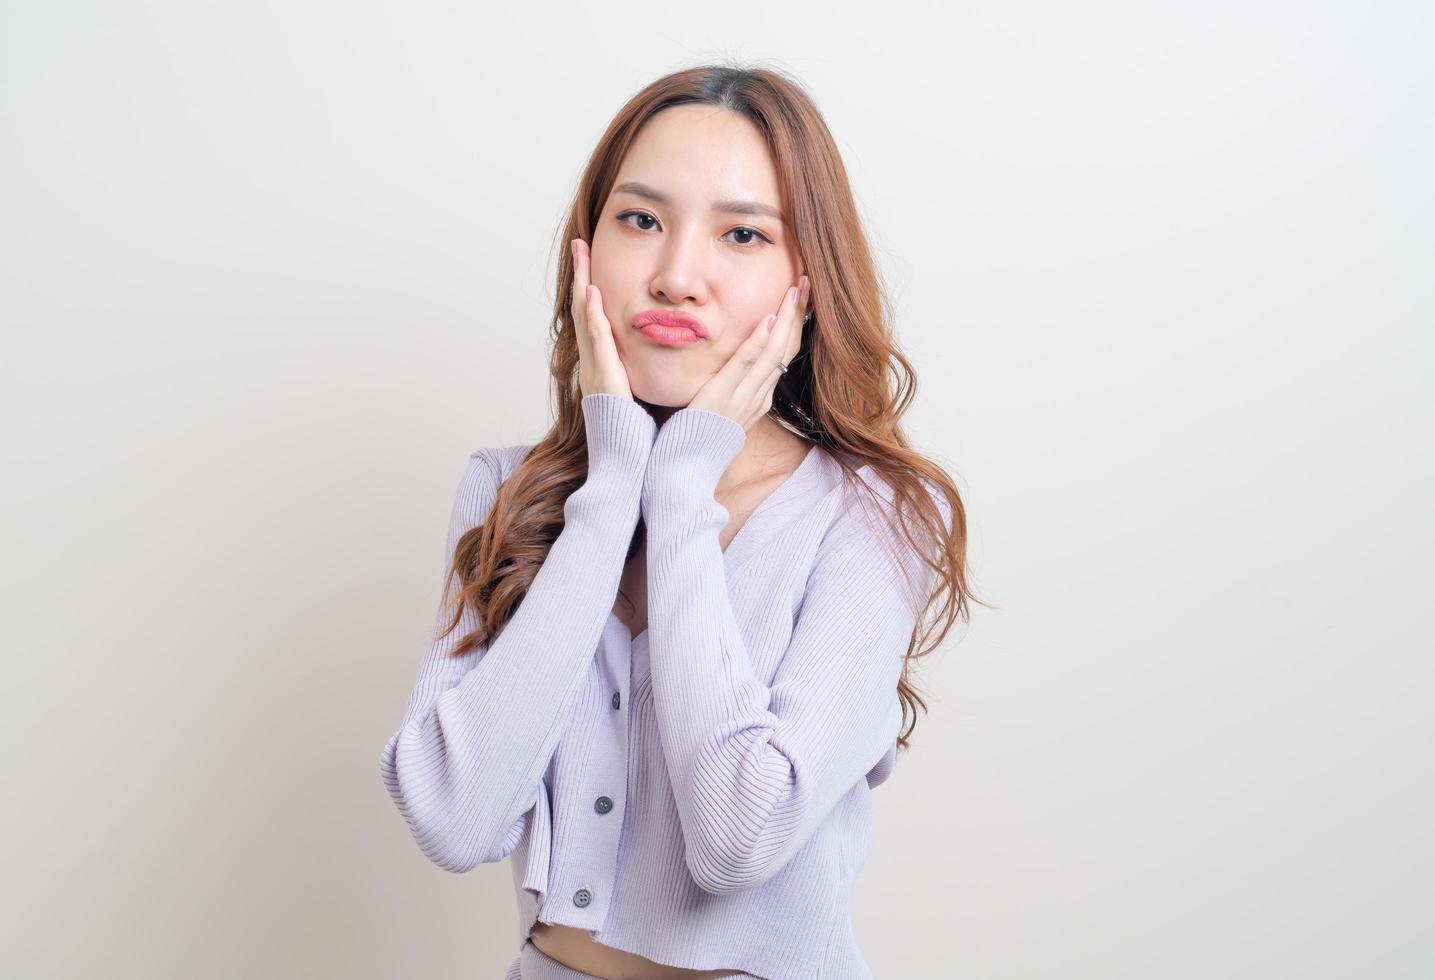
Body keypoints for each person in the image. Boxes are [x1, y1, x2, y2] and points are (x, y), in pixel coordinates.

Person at [379, 63, 981, 980]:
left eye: (742, 233)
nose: (675, 276)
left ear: (805, 282)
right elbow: (453, 818)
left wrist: (680, 494)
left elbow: (740, 834)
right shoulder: (507, 491)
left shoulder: (877, 516)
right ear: (586, 249)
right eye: (640, 220)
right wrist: (612, 486)